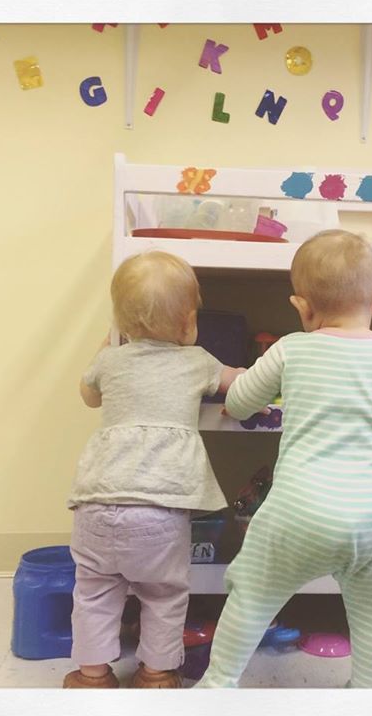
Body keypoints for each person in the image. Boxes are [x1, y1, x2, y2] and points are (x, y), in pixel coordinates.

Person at [196, 230, 372, 688]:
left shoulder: (291, 348)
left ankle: (218, 686)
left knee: (252, 597)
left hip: (299, 513)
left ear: (301, 306)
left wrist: (246, 394)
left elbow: (242, 401)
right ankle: (367, 693)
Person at [63, 251, 242, 689]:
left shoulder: (110, 361)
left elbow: (88, 396)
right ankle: (156, 673)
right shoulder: (197, 360)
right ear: (189, 322)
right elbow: (238, 383)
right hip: (159, 510)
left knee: (94, 592)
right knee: (163, 595)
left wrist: (105, 347)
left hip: (97, 503)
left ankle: (92, 675)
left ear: (120, 323)